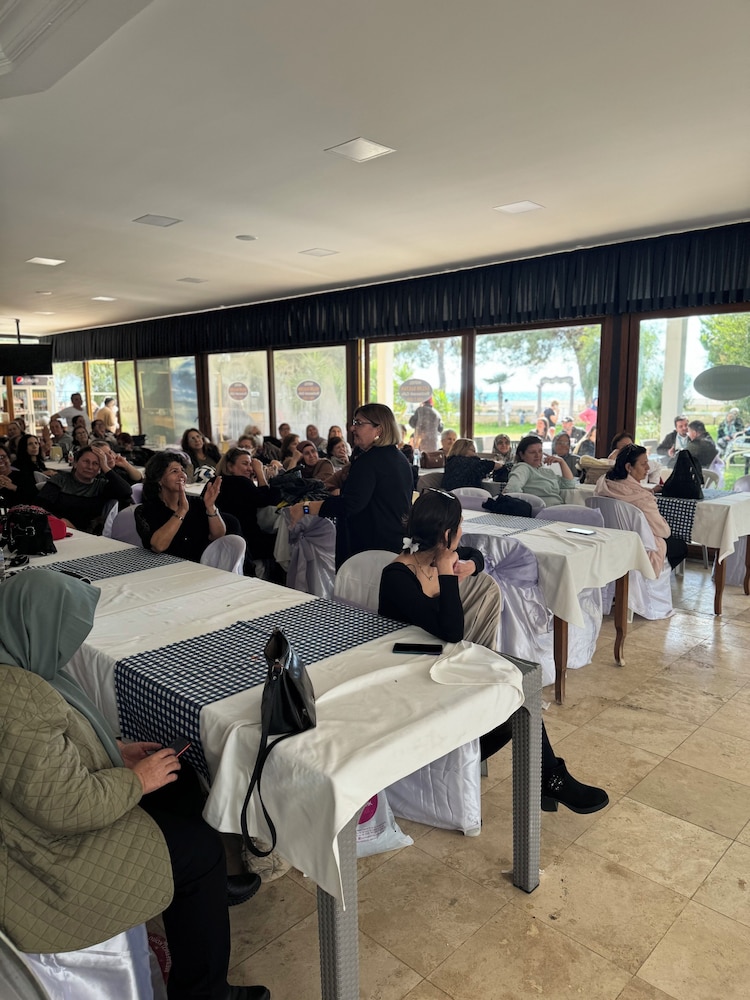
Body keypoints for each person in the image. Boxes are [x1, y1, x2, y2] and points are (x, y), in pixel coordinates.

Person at [0, 571, 269, 1000]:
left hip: (54, 816)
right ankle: (205, 992)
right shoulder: (15, 694)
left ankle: (204, 892)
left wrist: (116, 750)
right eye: (64, 632)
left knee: (178, 782)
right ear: (37, 625)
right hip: (54, 855)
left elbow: (46, 754)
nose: (68, 648)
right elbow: (66, 806)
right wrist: (136, 780)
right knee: (200, 851)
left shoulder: (23, 663)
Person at [378, 490, 608, 814]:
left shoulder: (431, 557)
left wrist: (470, 564)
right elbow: (451, 630)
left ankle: (546, 776)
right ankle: (457, 767)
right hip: (412, 681)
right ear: (447, 534)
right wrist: (447, 573)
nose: (463, 532)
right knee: (513, 701)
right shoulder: (398, 576)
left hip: (441, 666)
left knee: (518, 692)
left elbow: (476, 554)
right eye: (459, 526)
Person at [287, 403, 413, 568]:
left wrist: (306, 507)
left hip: (370, 549)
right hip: (393, 543)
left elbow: (350, 505)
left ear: (379, 430)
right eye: (354, 422)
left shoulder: (369, 461)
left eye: (359, 423)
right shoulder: (399, 458)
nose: (352, 428)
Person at [595, 444, 687, 573]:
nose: (648, 468)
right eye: (643, 464)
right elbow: (663, 532)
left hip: (610, 543)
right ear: (629, 467)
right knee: (681, 547)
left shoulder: (603, 485)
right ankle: (652, 579)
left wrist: (648, 491)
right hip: (639, 548)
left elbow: (626, 489)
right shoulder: (643, 500)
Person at [135, 452, 227, 562]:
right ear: (159, 479)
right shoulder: (146, 511)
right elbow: (158, 546)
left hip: (199, 566)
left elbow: (218, 535)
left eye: (182, 470)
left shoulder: (197, 503)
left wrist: (211, 507)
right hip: (163, 567)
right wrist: (181, 511)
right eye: (174, 471)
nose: (182, 475)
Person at [37, 445, 132, 532]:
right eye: (86, 461)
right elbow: (38, 507)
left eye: (95, 463)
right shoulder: (60, 480)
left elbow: (126, 492)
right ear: (75, 463)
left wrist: (105, 467)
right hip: (57, 529)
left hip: (89, 535)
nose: (90, 467)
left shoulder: (101, 486)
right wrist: (60, 521)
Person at [214, 446, 281, 562]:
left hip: (219, 541)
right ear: (230, 466)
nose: (250, 469)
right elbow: (267, 501)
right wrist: (260, 472)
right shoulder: (241, 482)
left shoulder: (214, 480)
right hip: (247, 540)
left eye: (251, 464)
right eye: (245, 464)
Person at [505, 434, 577, 506]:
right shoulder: (523, 468)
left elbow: (569, 485)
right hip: (543, 510)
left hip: (558, 507)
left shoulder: (547, 472)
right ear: (522, 455)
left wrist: (562, 462)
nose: (537, 455)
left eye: (540, 451)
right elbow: (512, 489)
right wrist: (529, 507)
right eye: (532, 452)